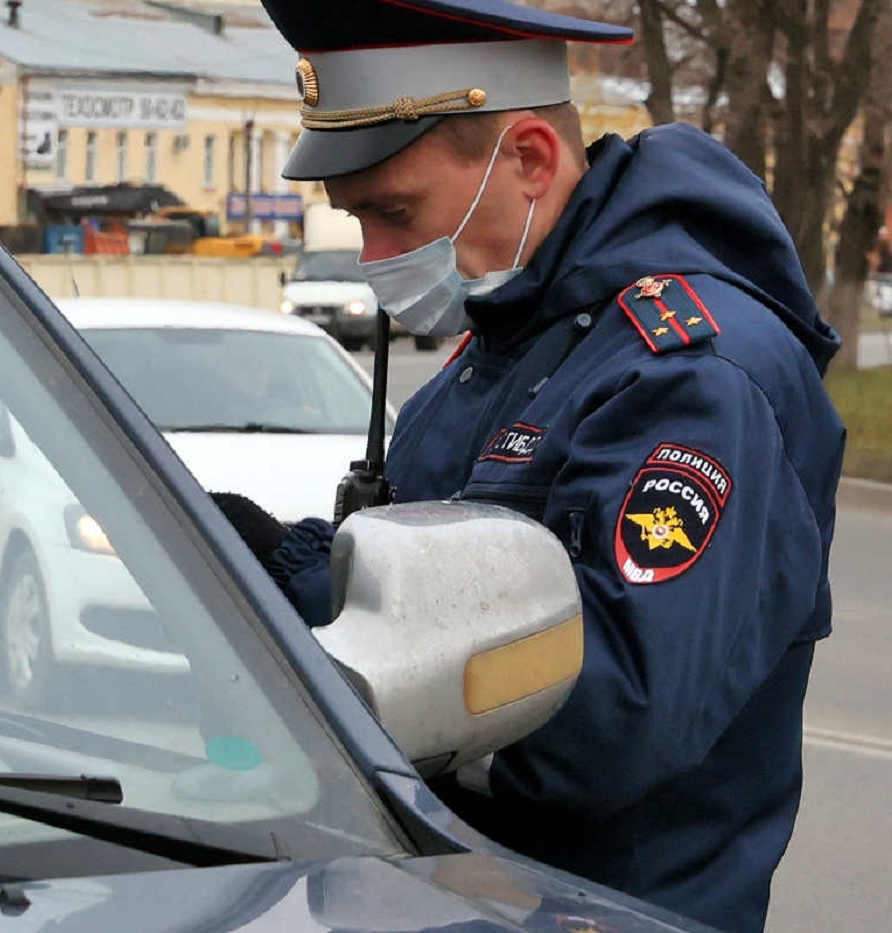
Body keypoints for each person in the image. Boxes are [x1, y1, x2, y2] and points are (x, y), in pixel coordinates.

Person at [212, 1, 846, 931]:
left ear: (532, 161)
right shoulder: (510, 347)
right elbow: (420, 578)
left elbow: (600, 726)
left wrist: (311, 599)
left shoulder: (690, 377)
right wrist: (258, 556)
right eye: (359, 221)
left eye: (395, 213)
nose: (375, 258)